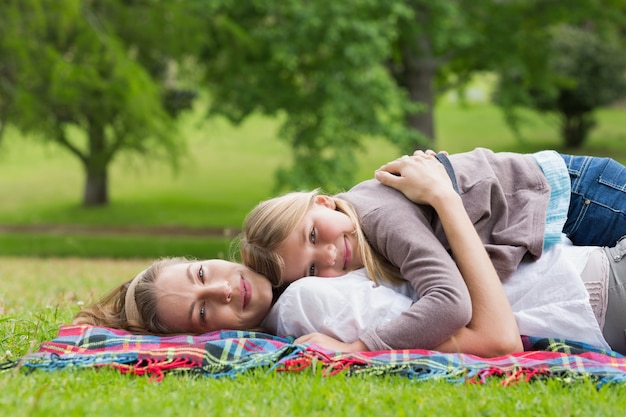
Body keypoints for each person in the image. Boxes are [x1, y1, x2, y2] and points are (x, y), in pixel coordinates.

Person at [239, 148, 626, 353]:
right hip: (559, 210)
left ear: (323, 203)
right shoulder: (360, 234)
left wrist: (358, 347)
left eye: (311, 236)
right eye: (309, 270)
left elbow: (450, 302)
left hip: (578, 197)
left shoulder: (378, 215)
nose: (326, 256)